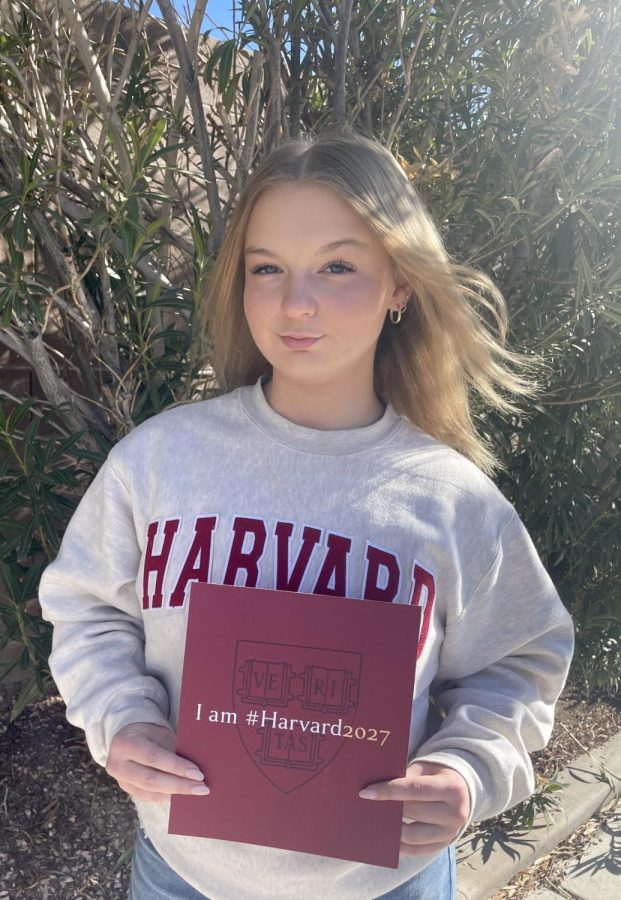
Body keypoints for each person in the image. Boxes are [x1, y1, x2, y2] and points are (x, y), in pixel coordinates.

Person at [39, 127, 574, 900]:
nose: (296, 303)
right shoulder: (160, 461)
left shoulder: (450, 497)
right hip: (183, 875)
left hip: (386, 883)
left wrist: (467, 768)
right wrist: (121, 718)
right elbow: (86, 607)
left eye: (337, 266)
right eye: (268, 269)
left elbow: (519, 664)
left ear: (399, 284)